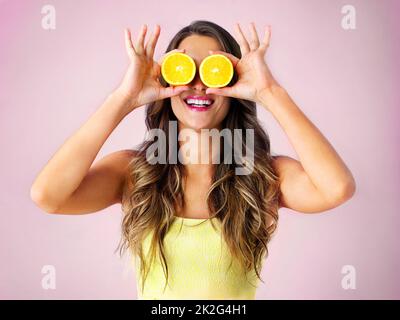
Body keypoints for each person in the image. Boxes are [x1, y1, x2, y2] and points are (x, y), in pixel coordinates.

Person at [30, 20, 356, 299]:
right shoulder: (133, 172)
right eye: (186, 71)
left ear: (234, 83)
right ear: (167, 81)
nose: (199, 85)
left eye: (214, 72)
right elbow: (49, 196)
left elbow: (336, 188)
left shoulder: (264, 175)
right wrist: (123, 98)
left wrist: (270, 91)